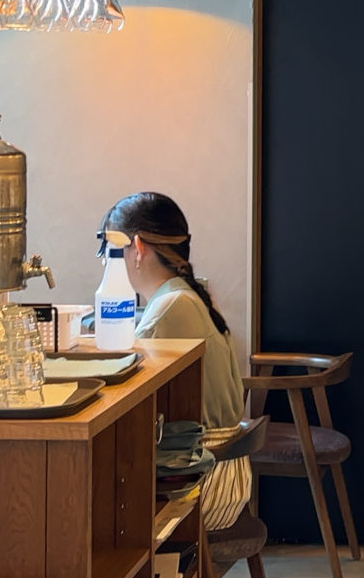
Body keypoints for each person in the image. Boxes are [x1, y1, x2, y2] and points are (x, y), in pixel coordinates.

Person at [102, 192, 252, 532]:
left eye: (111, 249)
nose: (106, 263)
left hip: (201, 484)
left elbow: (124, 405)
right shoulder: (183, 295)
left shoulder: (169, 309)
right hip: (222, 474)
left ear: (137, 247)